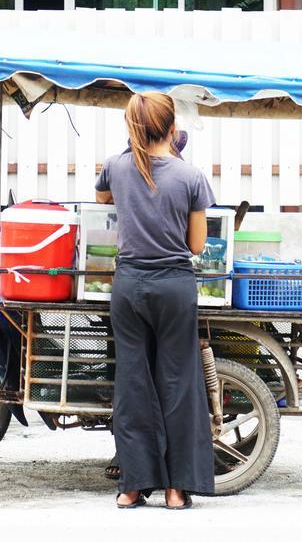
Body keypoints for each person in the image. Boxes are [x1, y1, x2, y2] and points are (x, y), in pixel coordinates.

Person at [94, 92, 216, 509]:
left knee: (133, 383)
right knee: (179, 382)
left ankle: (132, 486)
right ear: (173, 128)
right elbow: (196, 245)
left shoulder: (116, 167)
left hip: (129, 286)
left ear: (133, 129)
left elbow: (102, 200)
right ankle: (177, 489)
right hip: (174, 286)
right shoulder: (190, 177)